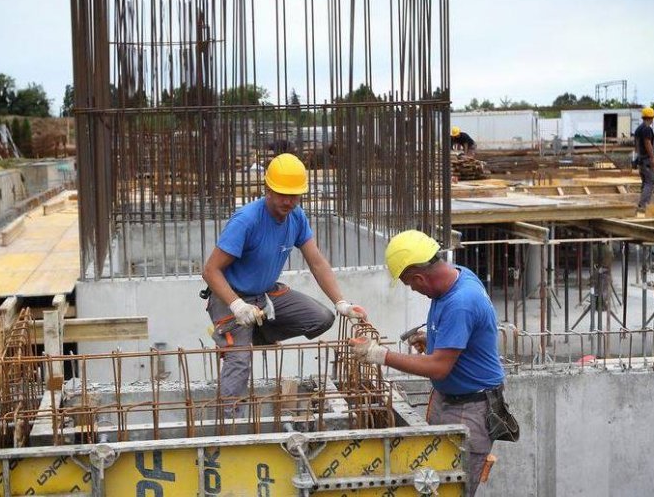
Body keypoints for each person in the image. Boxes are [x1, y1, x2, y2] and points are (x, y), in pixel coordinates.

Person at [351, 230, 516, 496]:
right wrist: (437, 340)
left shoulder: (461, 302)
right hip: (451, 399)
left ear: (419, 277)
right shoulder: (455, 277)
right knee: (430, 485)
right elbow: (465, 340)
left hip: (469, 410)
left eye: (410, 284)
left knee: (449, 490)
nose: (413, 289)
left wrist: (378, 355)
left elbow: (440, 367)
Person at [202, 153, 367, 414]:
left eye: (295, 195)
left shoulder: (297, 217)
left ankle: (251, 335)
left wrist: (341, 302)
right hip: (229, 295)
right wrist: (236, 305)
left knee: (321, 318)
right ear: (267, 189)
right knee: (239, 361)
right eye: (282, 194)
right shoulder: (246, 220)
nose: (289, 201)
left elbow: (317, 262)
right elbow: (210, 271)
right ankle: (229, 423)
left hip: (265, 293)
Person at [634, 107, 654, 217]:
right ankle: (643, 206)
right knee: (651, 181)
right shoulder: (647, 129)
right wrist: (652, 158)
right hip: (646, 160)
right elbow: (648, 143)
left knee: (645, 182)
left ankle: (641, 206)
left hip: (641, 160)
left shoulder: (638, 129)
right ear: (651, 117)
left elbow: (637, 146)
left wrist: (639, 157)